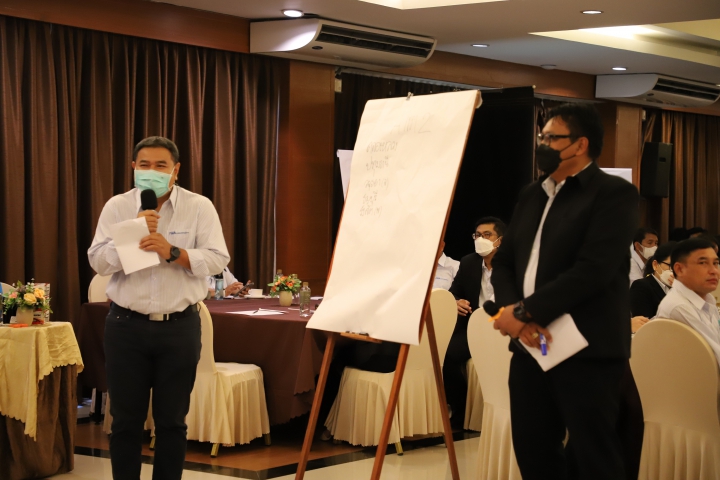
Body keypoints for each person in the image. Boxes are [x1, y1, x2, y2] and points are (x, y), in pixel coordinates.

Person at [491, 103, 639, 480]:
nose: (541, 145)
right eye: (541, 137)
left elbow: (593, 271)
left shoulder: (613, 194)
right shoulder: (532, 195)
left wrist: (524, 313)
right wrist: (514, 313)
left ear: (580, 144)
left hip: (586, 348)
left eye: (551, 138)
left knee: (594, 458)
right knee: (534, 452)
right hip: (531, 347)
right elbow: (504, 261)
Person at [88, 136, 230, 480]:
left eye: (161, 165)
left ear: (176, 170)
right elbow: (98, 261)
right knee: (125, 422)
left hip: (179, 327)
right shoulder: (118, 206)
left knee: (172, 422)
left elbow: (217, 259)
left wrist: (172, 252)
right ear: (133, 167)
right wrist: (131, 237)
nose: (151, 171)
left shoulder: (199, 206)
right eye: (144, 165)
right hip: (125, 326)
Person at [444, 216, 505, 424]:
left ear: (500, 240)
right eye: (477, 235)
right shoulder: (469, 262)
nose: (481, 239)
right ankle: (461, 410)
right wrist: (455, 301)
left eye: (487, 235)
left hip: (504, 326)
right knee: (445, 353)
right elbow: (454, 292)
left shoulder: (512, 262)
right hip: (475, 328)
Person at [657, 238, 720, 368]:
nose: (714, 270)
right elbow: (716, 358)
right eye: (703, 263)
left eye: (716, 263)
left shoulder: (706, 299)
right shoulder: (679, 306)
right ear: (679, 269)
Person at [629, 241, 676, 322]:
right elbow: (643, 322)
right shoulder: (641, 286)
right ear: (655, 265)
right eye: (671, 266)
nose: (674, 271)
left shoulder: (680, 288)